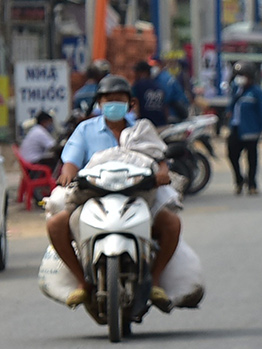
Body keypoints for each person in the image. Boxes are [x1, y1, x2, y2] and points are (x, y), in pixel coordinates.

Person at [47, 75, 184, 310]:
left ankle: (155, 281)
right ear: (99, 103)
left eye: (119, 99)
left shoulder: (141, 129)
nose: (113, 104)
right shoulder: (85, 129)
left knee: (172, 224)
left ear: (130, 103)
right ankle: (82, 282)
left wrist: (163, 173)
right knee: (55, 225)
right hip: (92, 195)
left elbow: (159, 157)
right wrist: (67, 174)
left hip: (138, 194)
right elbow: (71, 161)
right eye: (108, 99)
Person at [227, 66, 262, 194]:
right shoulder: (236, 90)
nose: (240, 78)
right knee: (232, 155)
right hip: (236, 128)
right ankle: (239, 180)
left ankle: (252, 184)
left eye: (243, 75)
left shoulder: (256, 92)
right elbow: (231, 105)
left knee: (251, 158)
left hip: (251, 130)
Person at [132, 60, 172, 128]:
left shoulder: (138, 86)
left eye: (136, 72)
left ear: (143, 72)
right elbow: (165, 108)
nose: (135, 75)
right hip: (161, 125)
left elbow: (136, 105)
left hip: (145, 127)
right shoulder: (159, 86)